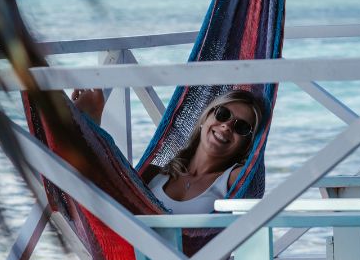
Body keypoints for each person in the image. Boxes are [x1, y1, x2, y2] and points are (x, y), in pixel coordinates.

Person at [70, 88, 264, 214]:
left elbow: (255, 188)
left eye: (242, 127)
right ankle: (89, 128)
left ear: (246, 145)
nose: (227, 126)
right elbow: (115, 196)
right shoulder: (154, 173)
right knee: (113, 182)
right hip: (137, 258)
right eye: (223, 114)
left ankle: (87, 127)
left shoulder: (233, 179)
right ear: (205, 118)